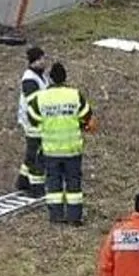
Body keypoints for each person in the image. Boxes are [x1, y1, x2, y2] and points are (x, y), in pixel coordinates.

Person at [25, 61, 93, 225]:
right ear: (65, 77)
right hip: (72, 149)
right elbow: (86, 117)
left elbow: (33, 119)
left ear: (50, 78)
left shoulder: (41, 98)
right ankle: (74, 218)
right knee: (73, 184)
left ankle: (56, 216)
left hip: (51, 149)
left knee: (53, 183)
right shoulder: (74, 95)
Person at [14, 46, 50, 198]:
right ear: (35, 61)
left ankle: (23, 181)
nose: (44, 61)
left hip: (38, 120)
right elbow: (33, 102)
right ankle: (36, 187)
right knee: (37, 154)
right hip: (33, 121)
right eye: (42, 59)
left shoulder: (41, 76)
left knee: (31, 153)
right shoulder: (30, 79)